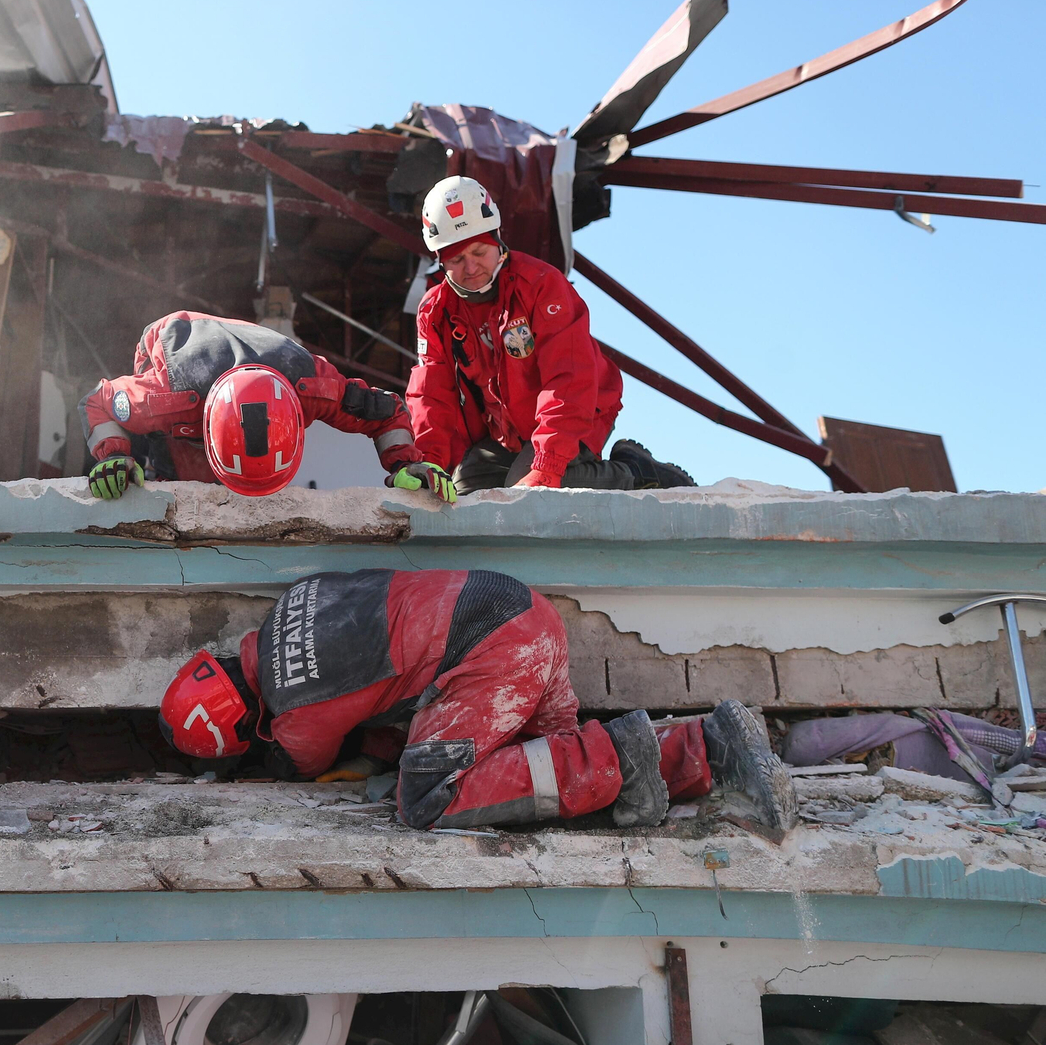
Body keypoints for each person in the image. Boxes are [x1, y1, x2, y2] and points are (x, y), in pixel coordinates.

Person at [156, 568, 796, 832]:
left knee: (426, 798)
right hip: (518, 614)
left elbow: (298, 764)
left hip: (489, 653)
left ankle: (629, 755)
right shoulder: (293, 603)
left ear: (241, 731)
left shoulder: (293, 714)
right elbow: (381, 685)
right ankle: (711, 747)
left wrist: (263, 761)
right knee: (552, 769)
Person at [408, 176, 694, 494]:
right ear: (440, 260)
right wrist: (428, 462)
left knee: (530, 493)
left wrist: (548, 465)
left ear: (497, 239)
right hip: (512, 433)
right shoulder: (435, 312)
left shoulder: (541, 284)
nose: (471, 267)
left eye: (479, 251)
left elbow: (569, 379)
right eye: (457, 259)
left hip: (581, 408)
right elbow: (431, 395)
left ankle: (636, 472)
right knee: (464, 490)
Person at [79, 310, 456, 501]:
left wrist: (407, 463)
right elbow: (96, 402)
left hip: (265, 358)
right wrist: (113, 456)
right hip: (171, 347)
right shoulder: (163, 397)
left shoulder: (314, 387)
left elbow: (388, 411)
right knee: (173, 485)